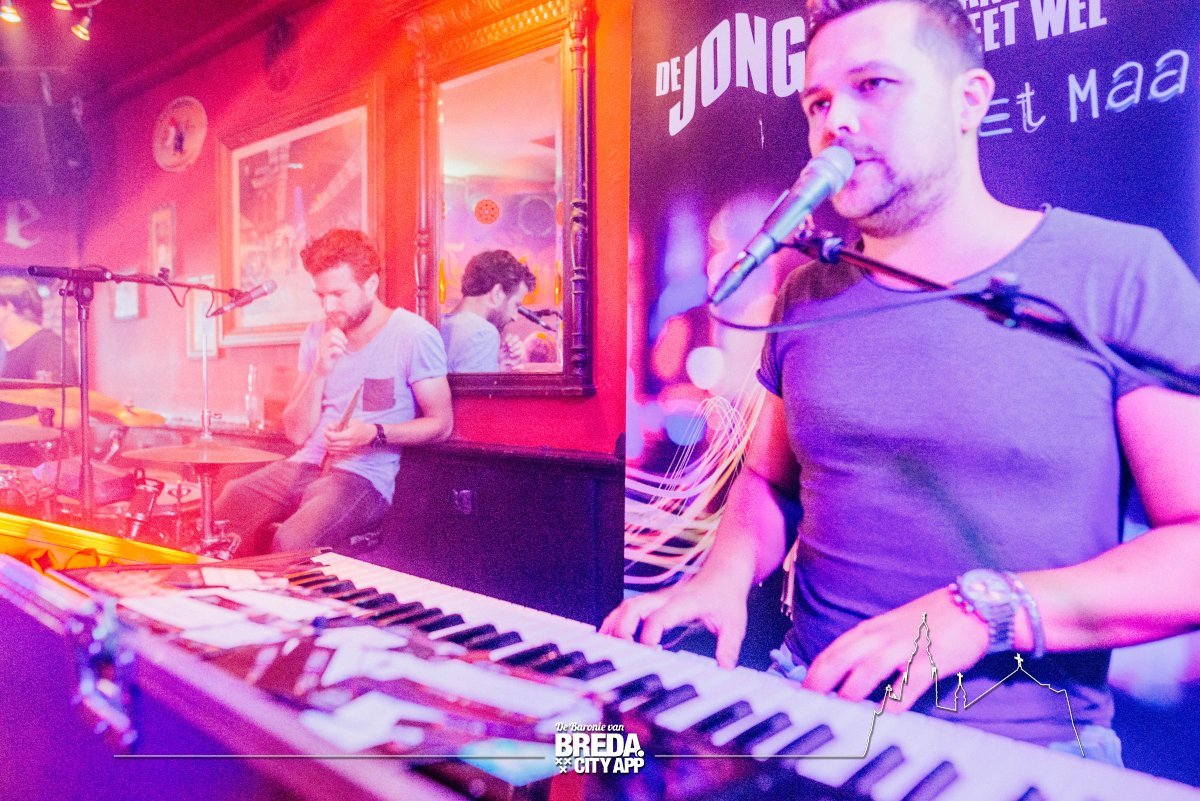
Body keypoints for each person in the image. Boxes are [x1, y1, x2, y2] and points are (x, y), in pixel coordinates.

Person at [602, 0, 1200, 765]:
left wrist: (986, 610)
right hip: (810, 716)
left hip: (1029, 752)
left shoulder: (1119, 272)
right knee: (565, 758)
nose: (835, 122)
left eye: (873, 85)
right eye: (818, 103)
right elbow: (765, 481)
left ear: (968, 101)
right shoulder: (805, 294)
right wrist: (722, 573)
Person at [214, 230, 453, 554]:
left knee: (292, 540)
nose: (328, 306)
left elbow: (441, 424)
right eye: (321, 295)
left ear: (371, 284)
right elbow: (296, 433)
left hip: (361, 475)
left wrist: (373, 433)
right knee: (229, 502)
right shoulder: (316, 335)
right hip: (305, 463)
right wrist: (319, 370)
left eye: (339, 294)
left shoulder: (413, 335)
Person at [0, 276, 79, 465]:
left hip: (34, 468)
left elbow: (68, 418)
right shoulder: (4, 349)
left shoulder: (47, 346)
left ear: (7, 307)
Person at [440, 249, 535, 372]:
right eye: (516, 305)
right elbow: (478, 386)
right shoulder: (483, 333)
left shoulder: (440, 324)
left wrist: (496, 366)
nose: (514, 316)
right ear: (497, 293)